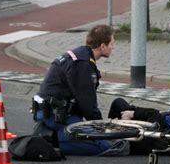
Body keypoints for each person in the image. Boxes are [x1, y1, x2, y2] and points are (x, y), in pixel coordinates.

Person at [32, 25, 129, 156]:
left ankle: (52, 135)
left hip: (55, 113)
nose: (113, 47)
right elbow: (87, 104)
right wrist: (102, 129)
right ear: (102, 46)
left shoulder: (80, 55)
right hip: (56, 117)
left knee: (98, 137)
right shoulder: (82, 64)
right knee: (106, 146)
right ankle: (50, 139)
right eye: (112, 43)